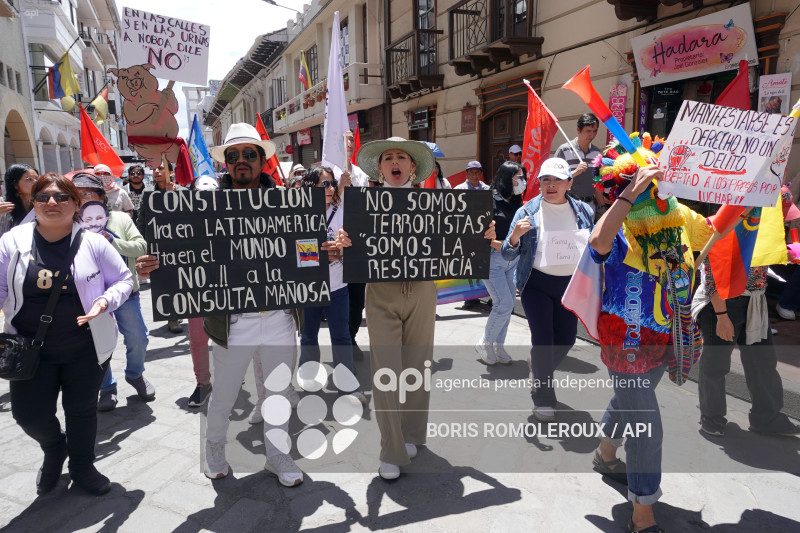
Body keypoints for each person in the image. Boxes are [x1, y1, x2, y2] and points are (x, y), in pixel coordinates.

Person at [136, 123, 305, 487]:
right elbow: (183, 250)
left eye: (249, 154)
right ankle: (214, 448)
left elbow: (304, 249)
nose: (241, 160)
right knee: (225, 392)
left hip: (279, 316)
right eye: (233, 156)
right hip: (233, 320)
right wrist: (156, 265)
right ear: (225, 163)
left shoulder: (288, 203)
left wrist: (327, 252)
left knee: (277, 391)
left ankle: (278, 454)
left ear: (262, 160)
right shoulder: (204, 207)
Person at [585, 137, 726, 532]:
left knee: (631, 399)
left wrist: (742, 204)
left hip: (669, 333)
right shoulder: (620, 220)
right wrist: (630, 194)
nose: (655, 187)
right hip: (626, 339)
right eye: (644, 181)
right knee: (646, 425)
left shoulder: (680, 214)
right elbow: (597, 244)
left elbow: (715, 234)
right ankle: (643, 515)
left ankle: (604, 454)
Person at [338, 137, 495, 480]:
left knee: (417, 368)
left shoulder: (436, 205)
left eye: (401, 157)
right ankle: (390, 449)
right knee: (386, 372)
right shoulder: (362, 205)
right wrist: (344, 242)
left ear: (412, 167)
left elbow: (461, 240)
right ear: (380, 169)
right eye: (388, 158)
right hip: (381, 295)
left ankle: (410, 434)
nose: (395, 162)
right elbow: (347, 247)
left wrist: (482, 234)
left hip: (423, 292)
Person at [0, 173, 132, 495]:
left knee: (81, 411)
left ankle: (83, 466)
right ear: (33, 203)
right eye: (43, 196)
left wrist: (105, 300)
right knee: (28, 415)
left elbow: (124, 280)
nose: (52, 202)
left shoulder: (94, 242)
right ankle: (54, 448)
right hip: (29, 351)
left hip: (85, 348)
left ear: (76, 204)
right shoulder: (12, 242)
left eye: (62, 197)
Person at [501, 158, 594, 418]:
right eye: (546, 180)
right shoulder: (526, 212)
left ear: (569, 183)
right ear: (539, 183)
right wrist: (515, 236)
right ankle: (543, 398)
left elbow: (593, 246)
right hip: (536, 284)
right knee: (542, 340)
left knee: (567, 338)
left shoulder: (584, 211)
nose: (551, 185)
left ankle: (539, 367)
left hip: (569, 286)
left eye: (557, 180)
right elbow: (508, 253)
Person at [72, 172, 154, 412]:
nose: (84, 198)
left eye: (90, 193)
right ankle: (106, 387)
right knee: (96, 342)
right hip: (89, 297)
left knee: (138, 337)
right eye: (78, 194)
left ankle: (135, 374)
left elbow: (141, 246)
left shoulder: (119, 219)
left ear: (101, 196)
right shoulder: (69, 225)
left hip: (125, 292)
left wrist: (112, 241)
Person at [693, 256, 800, 437]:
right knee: (716, 364)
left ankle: (767, 418)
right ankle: (711, 416)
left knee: (763, 361)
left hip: (755, 300)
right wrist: (722, 317)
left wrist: (785, 256)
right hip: (721, 303)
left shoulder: (764, 237)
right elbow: (713, 277)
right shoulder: (724, 236)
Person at [297, 166, 366, 404]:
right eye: (323, 184)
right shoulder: (299, 216)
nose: (329, 189)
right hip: (310, 289)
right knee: (308, 336)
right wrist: (319, 255)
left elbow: (355, 252)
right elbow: (292, 255)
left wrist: (342, 252)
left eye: (331, 184)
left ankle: (347, 387)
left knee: (342, 337)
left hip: (338, 288)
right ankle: (308, 379)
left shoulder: (342, 215)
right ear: (311, 188)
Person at [476, 161, 525, 365]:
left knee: (508, 303)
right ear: (507, 178)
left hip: (512, 260)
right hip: (492, 260)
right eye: (518, 177)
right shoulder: (489, 199)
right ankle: (485, 342)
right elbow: (479, 233)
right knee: (503, 303)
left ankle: (498, 345)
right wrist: (500, 244)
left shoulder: (517, 201)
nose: (522, 181)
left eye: (522, 177)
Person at [136, 160, 183, 334]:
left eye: (161, 168)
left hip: (180, 246)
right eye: (155, 168)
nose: (156, 171)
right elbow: (142, 219)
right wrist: (143, 243)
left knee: (181, 281)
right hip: (158, 246)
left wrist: (176, 196)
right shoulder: (148, 193)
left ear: (171, 172)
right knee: (166, 282)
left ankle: (181, 311)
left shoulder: (181, 191)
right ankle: (172, 317)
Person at [554, 113, 602, 202]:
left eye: (595, 131)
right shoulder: (564, 150)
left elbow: (597, 183)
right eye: (588, 131)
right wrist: (576, 172)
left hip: (590, 204)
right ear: (578, 130)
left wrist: (602, 205)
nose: (592, 135)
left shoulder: (596, 152)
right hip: (568, 203)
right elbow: (554, 178)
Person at [0, 164, 39, 235]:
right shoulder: (2, 203)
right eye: (29, 179)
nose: (36, 182)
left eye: (37, 178)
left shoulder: (43, 203)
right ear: (16, 185)